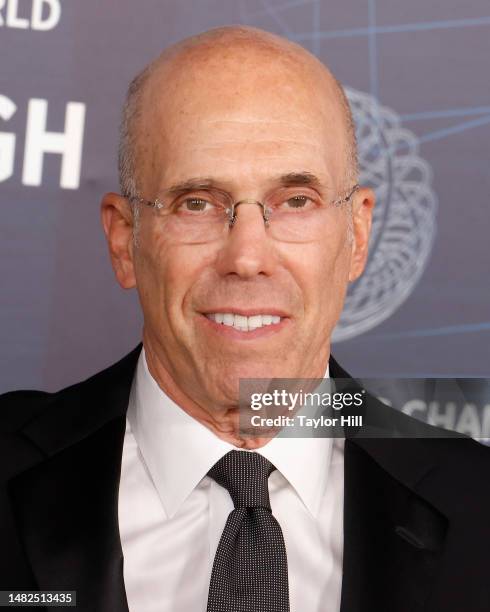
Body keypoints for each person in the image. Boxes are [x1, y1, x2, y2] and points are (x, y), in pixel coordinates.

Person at [1, 25, 489, 612]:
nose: (248, 258)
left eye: (296, 201)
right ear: (126, 239)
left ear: (357, 235)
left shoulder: (478, 506)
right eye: (198, 203)